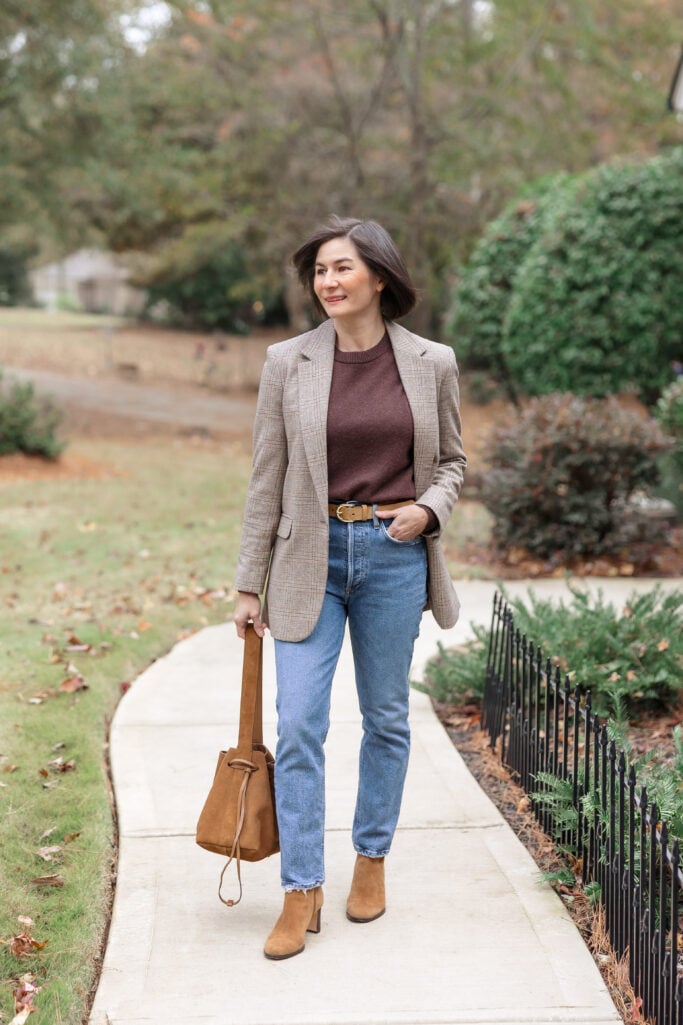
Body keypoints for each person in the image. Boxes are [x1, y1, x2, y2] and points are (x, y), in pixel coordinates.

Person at [233, 215, 466, 961]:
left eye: (341, 269)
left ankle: (370, 858)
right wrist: (247, 583)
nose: (327, 282)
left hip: (394, 557)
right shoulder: (287, 361)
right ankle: (301, 888)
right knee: (299, 722)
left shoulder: (431, 362)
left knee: (387, 718)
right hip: (310, 557)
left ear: (378, 277)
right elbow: (265, 475)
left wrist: (426, 509)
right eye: (319, 272)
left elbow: (453, 463)